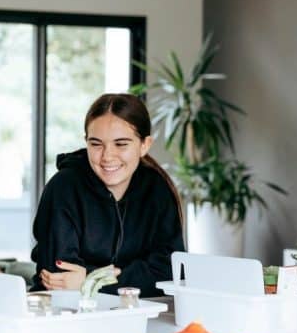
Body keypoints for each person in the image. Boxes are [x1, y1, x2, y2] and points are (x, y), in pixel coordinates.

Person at [31, 92, 185, 297]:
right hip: (60, 313)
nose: (107, 156)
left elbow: (170, 273)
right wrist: (131, 276)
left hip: (135, 312)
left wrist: (89, 279)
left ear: (144, 145)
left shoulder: (157, 189)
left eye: (121, 144)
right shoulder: (64, 188)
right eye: (96, 144)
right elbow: (60, 278)